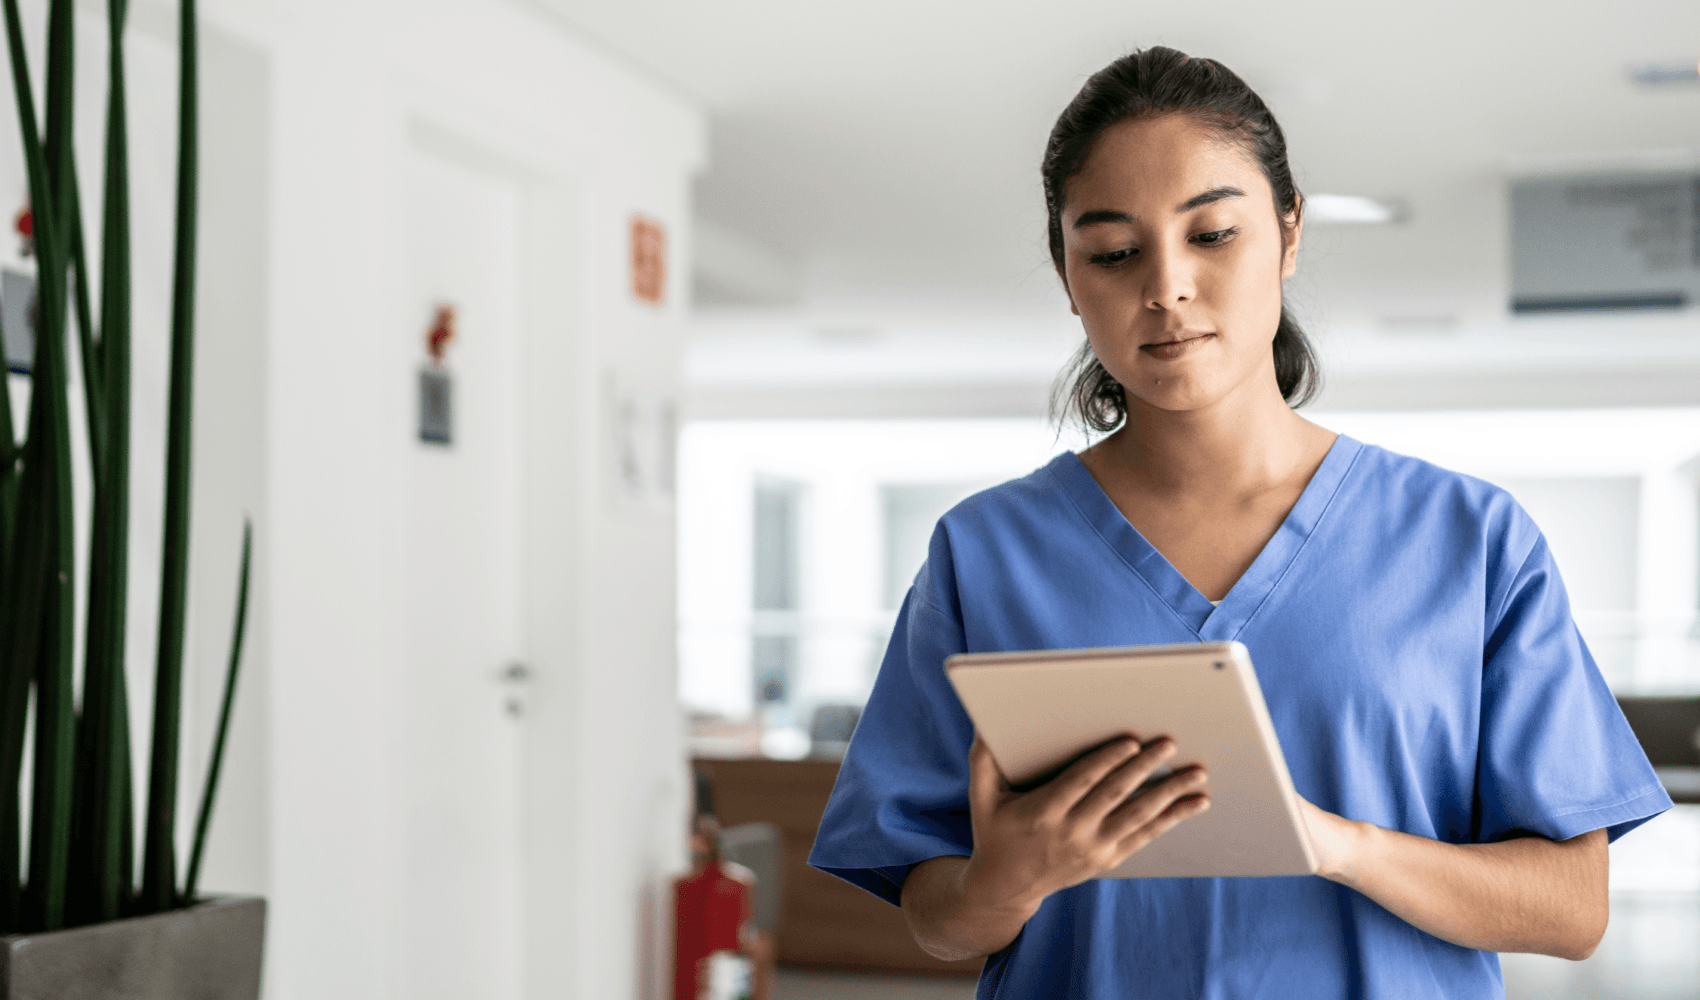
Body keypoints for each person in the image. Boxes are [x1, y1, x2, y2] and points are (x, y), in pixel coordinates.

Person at [807, 46, 1672, 999]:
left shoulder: (1469, 540)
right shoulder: (984, 554)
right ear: (1067, 274)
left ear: (1289, 233)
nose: (1166, 286)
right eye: (1112, 252)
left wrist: (1340, 845)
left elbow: (1571, 908)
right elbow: (935, 915)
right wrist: (1002, 881)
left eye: (1212, 233)